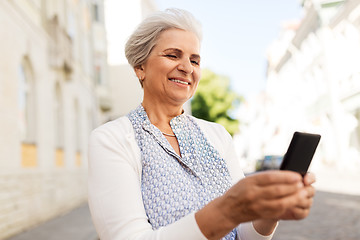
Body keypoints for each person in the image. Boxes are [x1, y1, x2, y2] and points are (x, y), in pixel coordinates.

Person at [88, 8, 315, 240]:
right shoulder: (112, 139)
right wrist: (228, 209)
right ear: (140, 67)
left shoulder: (217, 135)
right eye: (173, 55)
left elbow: (246, 236)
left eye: (194, 60)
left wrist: (269, 211)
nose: (187, 68)